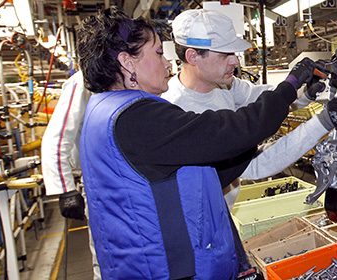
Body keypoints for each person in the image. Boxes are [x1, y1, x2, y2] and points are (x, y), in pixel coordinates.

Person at [77, 7, 317, 280]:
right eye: (157, 53)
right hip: (160, 269)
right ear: (127, 62)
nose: (167, 63)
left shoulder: (105, 109)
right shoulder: (136, 119)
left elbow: (204, 173)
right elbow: (231, 131)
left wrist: (247, 143)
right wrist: (289, 85)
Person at [162, 9, 337, 208]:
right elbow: (256, 165)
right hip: (202, 218)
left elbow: (265, 100)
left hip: (223, 209)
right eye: (225, 54)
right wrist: (324, 121)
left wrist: (305, 91)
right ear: (192, 57)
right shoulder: (178, 113)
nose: (235, 60)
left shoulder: (225, 85)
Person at [41, 71, 101, 279]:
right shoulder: (83, 80)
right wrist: (65, 190)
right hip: (98, 181)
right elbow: (56, 138)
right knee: (105, 255)